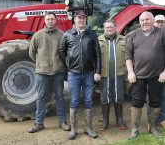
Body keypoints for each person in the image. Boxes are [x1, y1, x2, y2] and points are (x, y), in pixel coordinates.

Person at [125, 11, 165, 139]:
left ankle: (152, 127)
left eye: (147, 19)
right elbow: (128, 55)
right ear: (140, 22)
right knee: (136, 103)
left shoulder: (163, 33)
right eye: (142, 20)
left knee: (155, 102)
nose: (145, 22)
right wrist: (130, 72)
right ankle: (135, 130)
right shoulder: (133, 35)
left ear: (152, 20)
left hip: (156, 76)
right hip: (138, 77)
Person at [59, 10, 101, 140]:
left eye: (83, 18)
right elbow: (61, 51)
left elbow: (98, 55)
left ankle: (88, 128)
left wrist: (97, 71)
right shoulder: (67, 35)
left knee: (88, 100)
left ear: (85, 20)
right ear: (74, 20)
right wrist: (68, 63)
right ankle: (73, 129)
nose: (81, 20)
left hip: (89, 73)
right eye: (79, 18)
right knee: (75, 101)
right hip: (73, 74)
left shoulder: (92, 35)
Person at [28, 12, 70, 133]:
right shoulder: (37, 35)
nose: (50, 21)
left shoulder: (62, 35)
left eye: (52, 19)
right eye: (48, 19)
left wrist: (61, 65)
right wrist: (40, 63)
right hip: (42, 73)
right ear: (44, 21)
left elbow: (66, 52)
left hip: (58, 72)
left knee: (60, 97)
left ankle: (62, 122)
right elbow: (32, 53)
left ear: (55, 21)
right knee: (41, 98)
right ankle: (39, 123)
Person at [98, 20, 127, 131]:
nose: (109, 29)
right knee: (105, 97)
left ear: (115, 27)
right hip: (104, 74)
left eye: (111, 27)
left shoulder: (123, 39)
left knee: (119, 96)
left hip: (119, 74)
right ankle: (105, 121)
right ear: (104, 28)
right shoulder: (98, 40)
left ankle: (119, 120)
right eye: (107, 27)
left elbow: (129, 55)